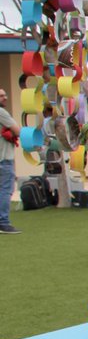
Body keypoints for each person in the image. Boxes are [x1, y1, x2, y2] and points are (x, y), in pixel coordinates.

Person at [0, 88, 20, 234]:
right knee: (6, 190)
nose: (5, 98)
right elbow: (17, 130)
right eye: (1, 96)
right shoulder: (2, 113)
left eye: (5, 94)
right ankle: (3, 222)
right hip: (4, 158)